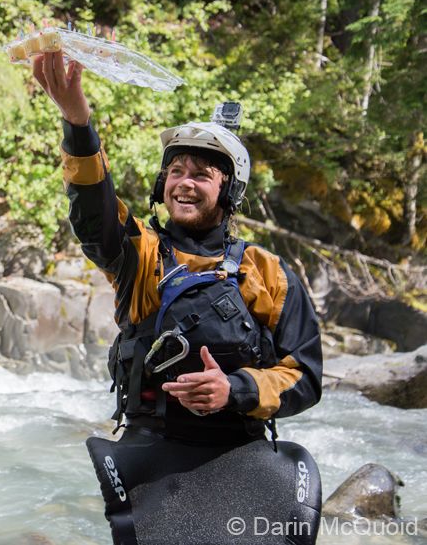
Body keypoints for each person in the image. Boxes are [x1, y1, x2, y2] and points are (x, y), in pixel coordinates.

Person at [32, 51, 323, 544]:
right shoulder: (139, 253)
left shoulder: (268, 272)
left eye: (202, 175)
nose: (185, 183)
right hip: (152, 453)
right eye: (176, 171)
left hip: (241, 453)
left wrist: (236, 390)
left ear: (229, 192)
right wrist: (77, 122)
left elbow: (305, 376)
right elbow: (92, 209)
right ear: (162, 183)